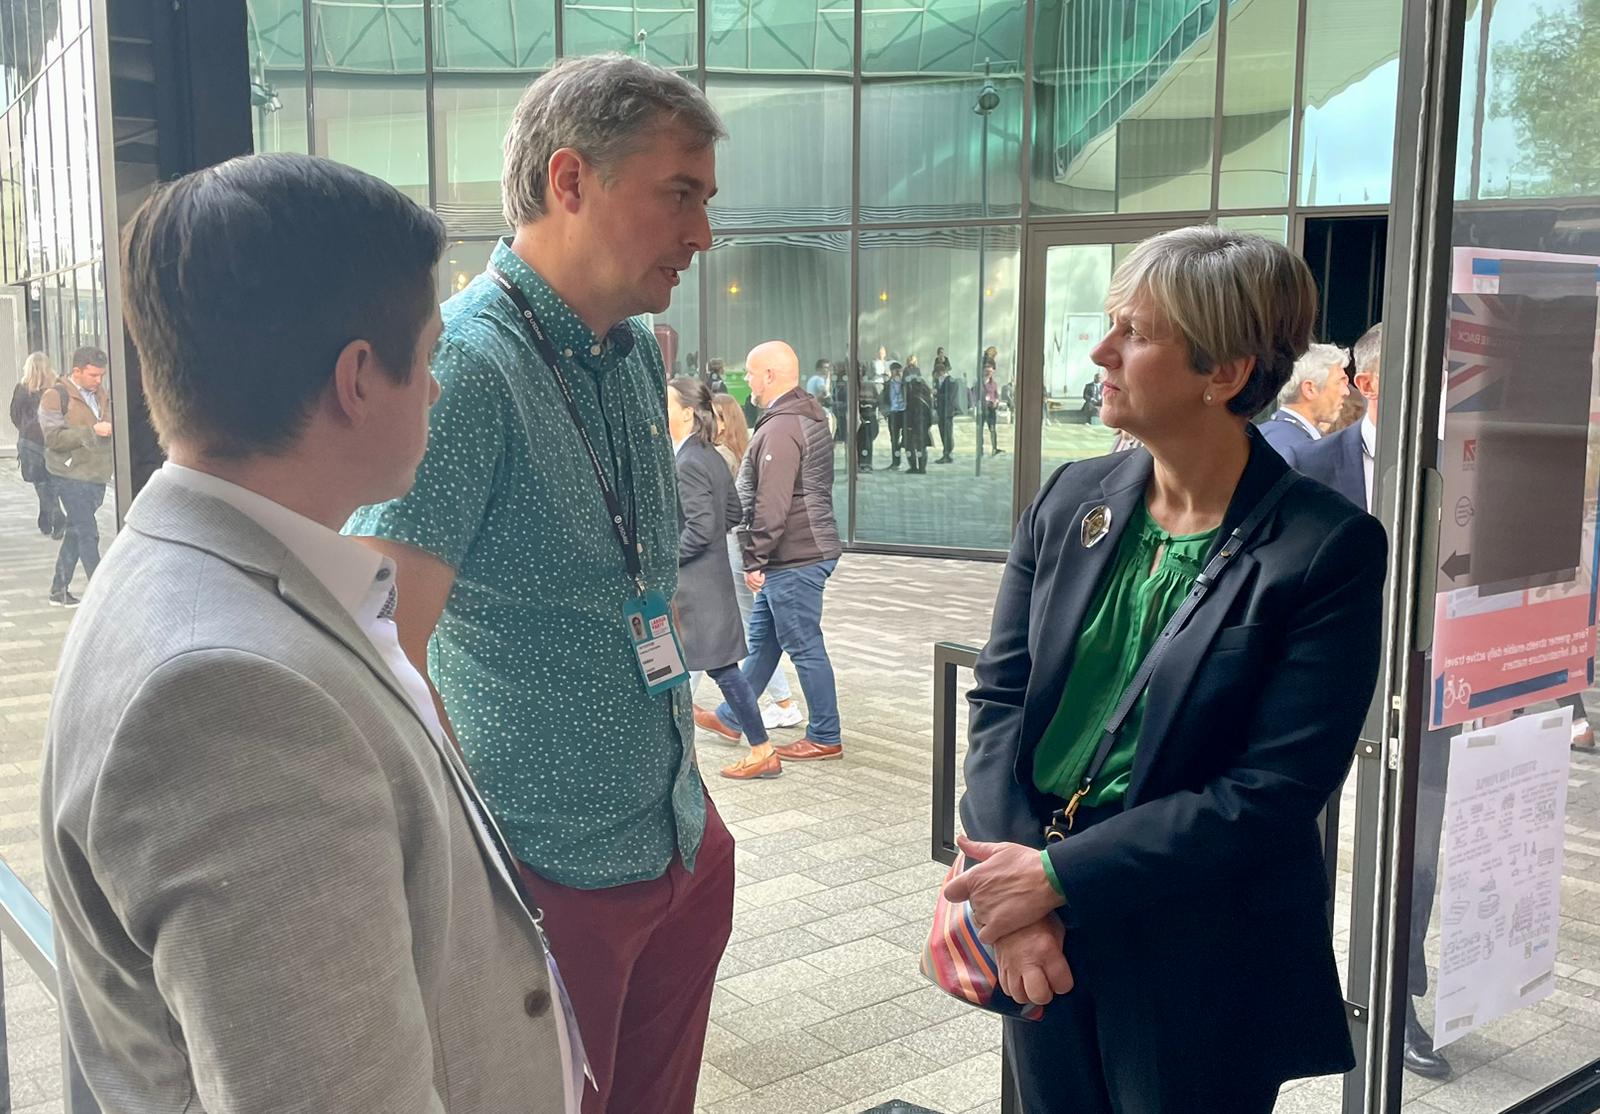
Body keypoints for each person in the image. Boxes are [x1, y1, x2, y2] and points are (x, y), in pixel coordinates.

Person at [40, 153, 572, 1112]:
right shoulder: (230, 700)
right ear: (359, 379)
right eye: (432, 354)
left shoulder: (191, 573)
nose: (439, 391)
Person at [344, 55, 732, 1114]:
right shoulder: (470, 371)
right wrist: (475, 891)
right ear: (570, 180)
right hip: (547, 881)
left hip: (677, 838)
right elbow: (379, 648)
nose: (702, 233)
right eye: (680, 194)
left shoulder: (634, 352)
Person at [947, 226, 1386, 1113]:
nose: (1100, 351)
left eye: (1135, 333)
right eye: (1110, 323)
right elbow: (1000, 698)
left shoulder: (1324, 546)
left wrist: (1052, 880)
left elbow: (1269, 791)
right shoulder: (1071, 500)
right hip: (1047, 930)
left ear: (1223, 374)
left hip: (1198, 950)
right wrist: (1020, 892)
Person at [724, 340, 845, 761]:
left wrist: (754, 557)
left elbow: (772, 502)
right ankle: (731, 715)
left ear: (770, 375)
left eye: (752, 373)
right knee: (763, 642)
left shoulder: (780, 426)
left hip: (796, 555)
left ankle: (825, 735)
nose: (748, 381)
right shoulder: (799, 416)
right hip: (797, 551)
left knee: (804, 644)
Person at [669, 379, 779, 779]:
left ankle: (762, 750)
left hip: (692, 588)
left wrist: (668, 557)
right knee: (707, 669)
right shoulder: (708, 455)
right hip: (707, 581)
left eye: (666, 401)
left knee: (707, 670)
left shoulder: (689, 462)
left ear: (684, 412)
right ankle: (757, 749)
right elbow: (731, 513)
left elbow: (702, 527)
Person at [712, 391, 804, 729]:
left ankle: (783, 702)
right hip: (734, 547)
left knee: (752, 627)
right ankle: (774, 703)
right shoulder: (737, 451)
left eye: (712, 416)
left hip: (730, 546)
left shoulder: (720, 455)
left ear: (724, 422)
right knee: (746, 625)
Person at [39, 345, 113, 607]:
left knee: (75, 530)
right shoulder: (55, 395)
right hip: (68, 475)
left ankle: (58, 590)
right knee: (88, 532)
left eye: (102, 375)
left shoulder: (102, 394)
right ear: (77, 371)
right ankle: (101, 597)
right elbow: (52, 438)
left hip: (96, 474)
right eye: (93, 375)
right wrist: (93, 431)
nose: (99, 380)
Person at [9, 351, 64, 538]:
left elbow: (14, 415)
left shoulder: (22, 389)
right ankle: (47, 518)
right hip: (53, 441)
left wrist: (25, 428)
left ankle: (55, 516)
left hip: (31, 442)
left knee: (41, 483)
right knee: (51, 481)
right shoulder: (57, 389)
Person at [1261, 341, 1350, 455]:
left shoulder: (1268, 433)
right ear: (1310, 389)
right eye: (1339, 382)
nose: (1346, 392)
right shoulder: (1297, 448)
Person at [903, 358, 933, 474]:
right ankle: (922, 468)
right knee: (922, 447)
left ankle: (914, 467)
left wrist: (908, 426)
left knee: (910, 447)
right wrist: (928, 426)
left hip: (913, 427)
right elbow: (930, 414)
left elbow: (910, 413)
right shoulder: (927, 399)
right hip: (924, 426)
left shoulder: (913, 397)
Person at [857, 361, 880, 471]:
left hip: (869, 414)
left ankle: (867, 464)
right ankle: (860, 463)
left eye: (861, 370)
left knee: (868, 441)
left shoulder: (870, 385)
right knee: (859, 441)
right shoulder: (853, 385)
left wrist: (870, 405)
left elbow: (877, 399)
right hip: (858, 415)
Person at [934, 361, 959, 464]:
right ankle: (946, 452)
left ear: (941, 372)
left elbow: (949, 396)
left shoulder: (950, 381)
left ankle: (947, 453)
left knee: (947, 433)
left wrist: (937, 394)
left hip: (947, 411)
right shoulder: (939, 380)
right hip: (941, 410)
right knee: (942, 431)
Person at [981, 362, 1002, 455]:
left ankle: (994, 448)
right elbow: (974, 395)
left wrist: (996, 401)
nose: (989, 373)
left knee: (992, 429)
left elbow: (997, 395)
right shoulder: (979, 383)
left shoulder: (994, 384)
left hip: (991, 409)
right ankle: (980, 449)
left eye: (990, 372)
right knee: (980, 430)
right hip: (982, 409)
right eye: (987, 371)